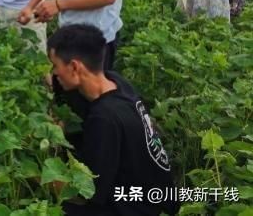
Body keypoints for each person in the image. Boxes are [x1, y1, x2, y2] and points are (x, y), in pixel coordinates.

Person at [48, 24, 179, 216]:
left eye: (55, 65)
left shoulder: (104, 118)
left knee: (58, 206)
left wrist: (43, 174)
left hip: (136, 207)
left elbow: (86, 193)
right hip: (156, 194)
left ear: (75, 66)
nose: (54, 73)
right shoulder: (116, 82)